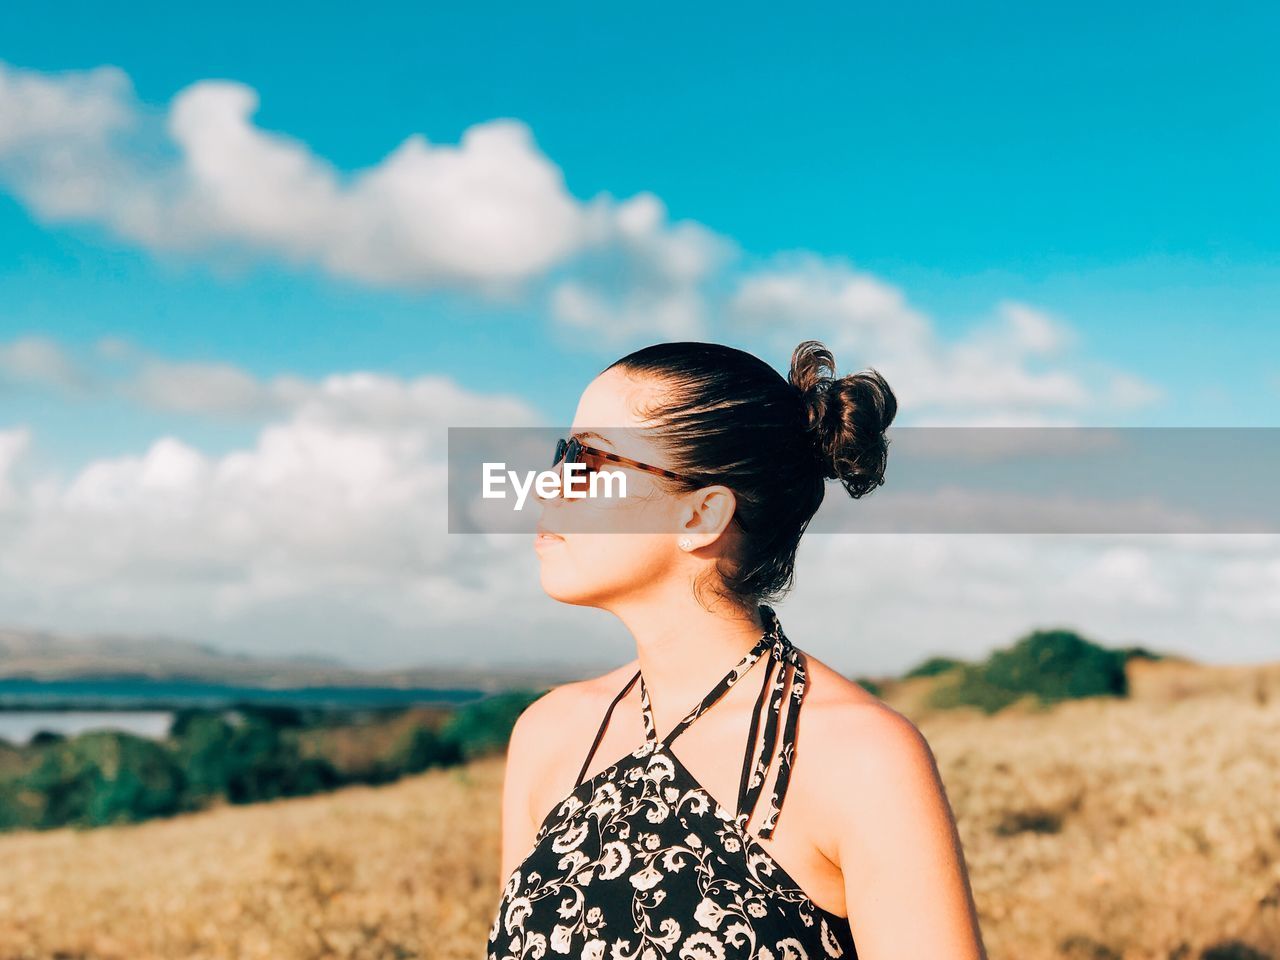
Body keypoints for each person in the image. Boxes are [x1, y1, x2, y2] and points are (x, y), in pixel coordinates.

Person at [488, 340, 987, 960]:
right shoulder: (549, 734)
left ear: (701, 515)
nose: (550, 484)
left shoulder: (862, 757)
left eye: (588, 457)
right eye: (561, 454)